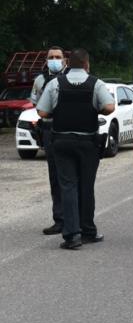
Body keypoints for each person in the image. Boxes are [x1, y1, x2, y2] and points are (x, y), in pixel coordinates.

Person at [36, 48, 115, 250]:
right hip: (88, 142)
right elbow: (109, 107)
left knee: (68, 186)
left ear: (67, 64)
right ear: (87, 65)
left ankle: (71, 235)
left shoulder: (55, 83)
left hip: (61, 142)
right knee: (86, 186)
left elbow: (42, 111)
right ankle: (88, 230)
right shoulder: (96, 83)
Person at [30, 46, 68, 235]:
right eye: (51, 57)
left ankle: (76, 218)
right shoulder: (40, 80)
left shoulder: (72, 77)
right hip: (49, 128)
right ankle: (59, 219)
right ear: (46, 61)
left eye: (58, 57)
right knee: (55, 176)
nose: (54, 60)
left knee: (72, 175)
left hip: (69, 129)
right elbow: (36, 103)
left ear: (65, 60)